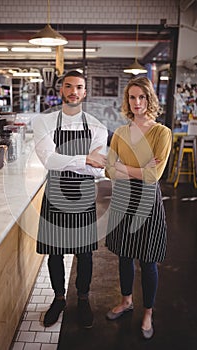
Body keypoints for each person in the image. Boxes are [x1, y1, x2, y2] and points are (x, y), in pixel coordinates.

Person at [33, 70, 108, 329]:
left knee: (84, 253)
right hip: (55, 191)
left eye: (78, 87)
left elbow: (98, 169)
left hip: (84, 193)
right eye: (68, 86)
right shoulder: (44, 123)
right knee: (54, 252)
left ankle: (83, 298)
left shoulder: (97, 126)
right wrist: (85, 158)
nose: (73, 91)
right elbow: (48, 160)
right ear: (61, 90)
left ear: (85, 92)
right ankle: (59, 298)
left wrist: (72, 162)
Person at [105, 76, 172, 339]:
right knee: (124, 255)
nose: (136, 102)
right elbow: (109, 171)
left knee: (147, 259)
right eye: (132, 97)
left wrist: (123, 167)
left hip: (147, 199)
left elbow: (153, 176)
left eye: (141, 97)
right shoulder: (121, 133)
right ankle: (126, 301)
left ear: (149, 99)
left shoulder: (161, 133)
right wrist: (134, 169)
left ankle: (147, 312)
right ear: (127, 100)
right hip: (123, 197)